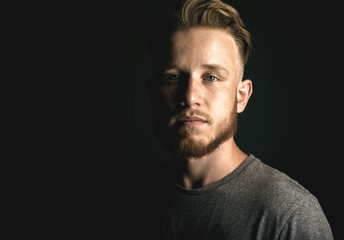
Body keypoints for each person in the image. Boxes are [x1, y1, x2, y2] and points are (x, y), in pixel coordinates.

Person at [128, 0, 334, 239]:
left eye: (211, 77)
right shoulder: (132, 201)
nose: (190, 96)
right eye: (173, 77)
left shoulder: (290, 215)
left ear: (241, 96)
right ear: (153, 94)